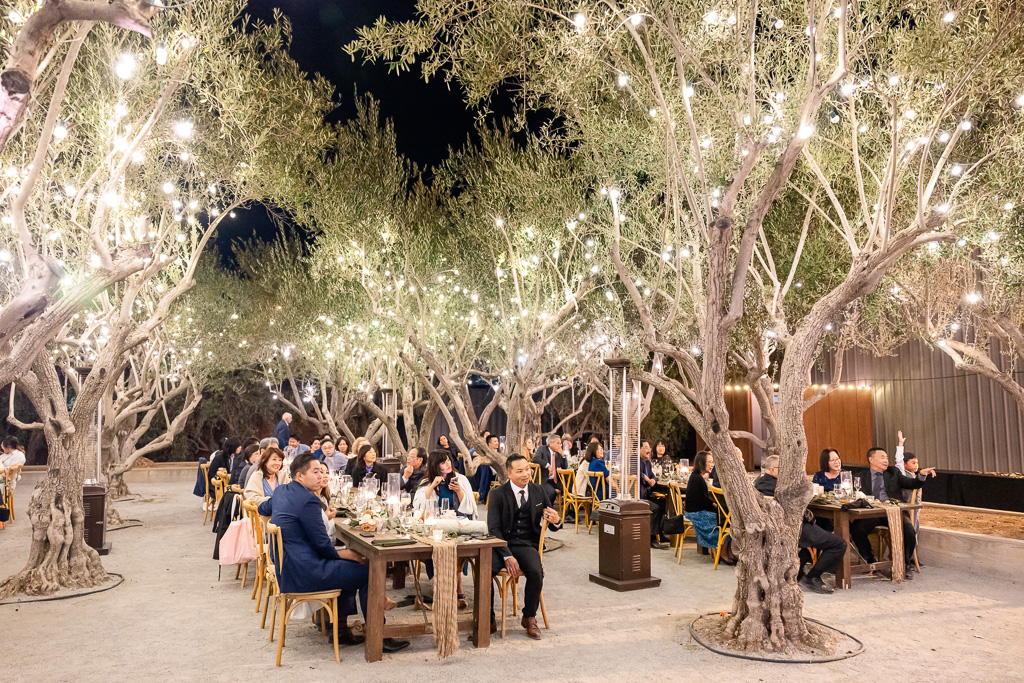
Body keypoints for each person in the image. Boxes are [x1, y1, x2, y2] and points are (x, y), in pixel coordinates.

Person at [257, 453, 409, 653]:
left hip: (288, 568)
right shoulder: (308, 501)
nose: (321, 475)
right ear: (299, 476)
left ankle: (339, 631)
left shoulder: (281, 491)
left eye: (322, 471)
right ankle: (379, 637)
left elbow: (261, 508)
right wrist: (347, 553)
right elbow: (322, 545)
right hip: (306, 572)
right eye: (316, 471)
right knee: (369, 571)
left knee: (350, 569)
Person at [487, 454, 561, 639]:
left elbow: (551, 521)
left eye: (527, 469)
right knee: (485, 570)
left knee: (537, 572)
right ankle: (488, 619)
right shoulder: (497, 494)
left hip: (528, 544)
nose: (525, 474)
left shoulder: (538, 491)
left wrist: (557, 520)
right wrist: (507, 556)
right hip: (502, 544)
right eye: (520, 471)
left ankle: (529, 617)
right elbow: (493, 529)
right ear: (509, 473)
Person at [753, 456, 845, 594]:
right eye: (784, 468)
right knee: (839, 544)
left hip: (772, 529)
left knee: (809, 546)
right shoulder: (781, 487)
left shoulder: (758, 484)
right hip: (794, 528)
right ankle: (813, 577)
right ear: (772, 470)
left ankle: (798, 575)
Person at [850, 447, 935, 575]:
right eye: (882, 457)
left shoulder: (893, 472)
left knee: (910, 532)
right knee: (857, 529)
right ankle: (870, 561)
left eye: (887, 458)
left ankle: (904, 564)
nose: (886, 460)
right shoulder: (860, 477)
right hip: (871, 513)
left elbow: (912, 483)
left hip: (894, 512)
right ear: (871, 459)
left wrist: (921, 475)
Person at [684, 450, 735, 564]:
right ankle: (722, 552)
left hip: (696, 509)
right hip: (695, 513)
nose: (712, 464)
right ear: (701, 463)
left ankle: (728, 551)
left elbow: (702, 500)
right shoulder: (697, 479)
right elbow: (701, 501)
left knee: (725, 517)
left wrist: (713, 505)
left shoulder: (698, 477)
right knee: (724, 519)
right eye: (710, 462)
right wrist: (714, 506)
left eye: (713, 462)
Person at [414, 450, 477, 518]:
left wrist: (459, 491)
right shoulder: (426, 482)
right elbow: (420, 507)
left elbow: (469, 509)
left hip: (457, 521)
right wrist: (432, 486)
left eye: (448, 460)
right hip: (436, 521)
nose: (448, 464)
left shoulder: (461, 479)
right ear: (435, 465)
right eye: (443, 463)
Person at [639, 441, 669, 549]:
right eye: (646, 447)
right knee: (655, 508)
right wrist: (645, 478)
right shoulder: (636, 462)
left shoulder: (647, 462)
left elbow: (653, 475)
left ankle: (660, 533)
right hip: (639, 497)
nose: (649, 450)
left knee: (663, 502)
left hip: (647, 495)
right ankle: (651, 538)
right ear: (639, 450)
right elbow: (635, 472)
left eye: (649, 447)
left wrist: (653, 480)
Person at [895, 430, 937, 503]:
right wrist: (900, 443)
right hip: (906, 505)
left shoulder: (914, 475)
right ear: (904, 464)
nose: (916, 465)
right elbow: (899, 460)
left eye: (917, 463)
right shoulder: (902, 473)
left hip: (916, 504)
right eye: (913, 463)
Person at [533, 434, 567, 501]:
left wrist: (563, 456)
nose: (560, 445)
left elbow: (564, 467)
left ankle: (569, 510)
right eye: (558, 443)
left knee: (569, 489)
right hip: (544, 479)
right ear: (550, 443)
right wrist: (547, 465)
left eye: (560, 443)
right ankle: (547, 509)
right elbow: (535, 459)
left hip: (555, 480)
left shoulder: (558, 454)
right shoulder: (542, 449)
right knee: (552, 492)